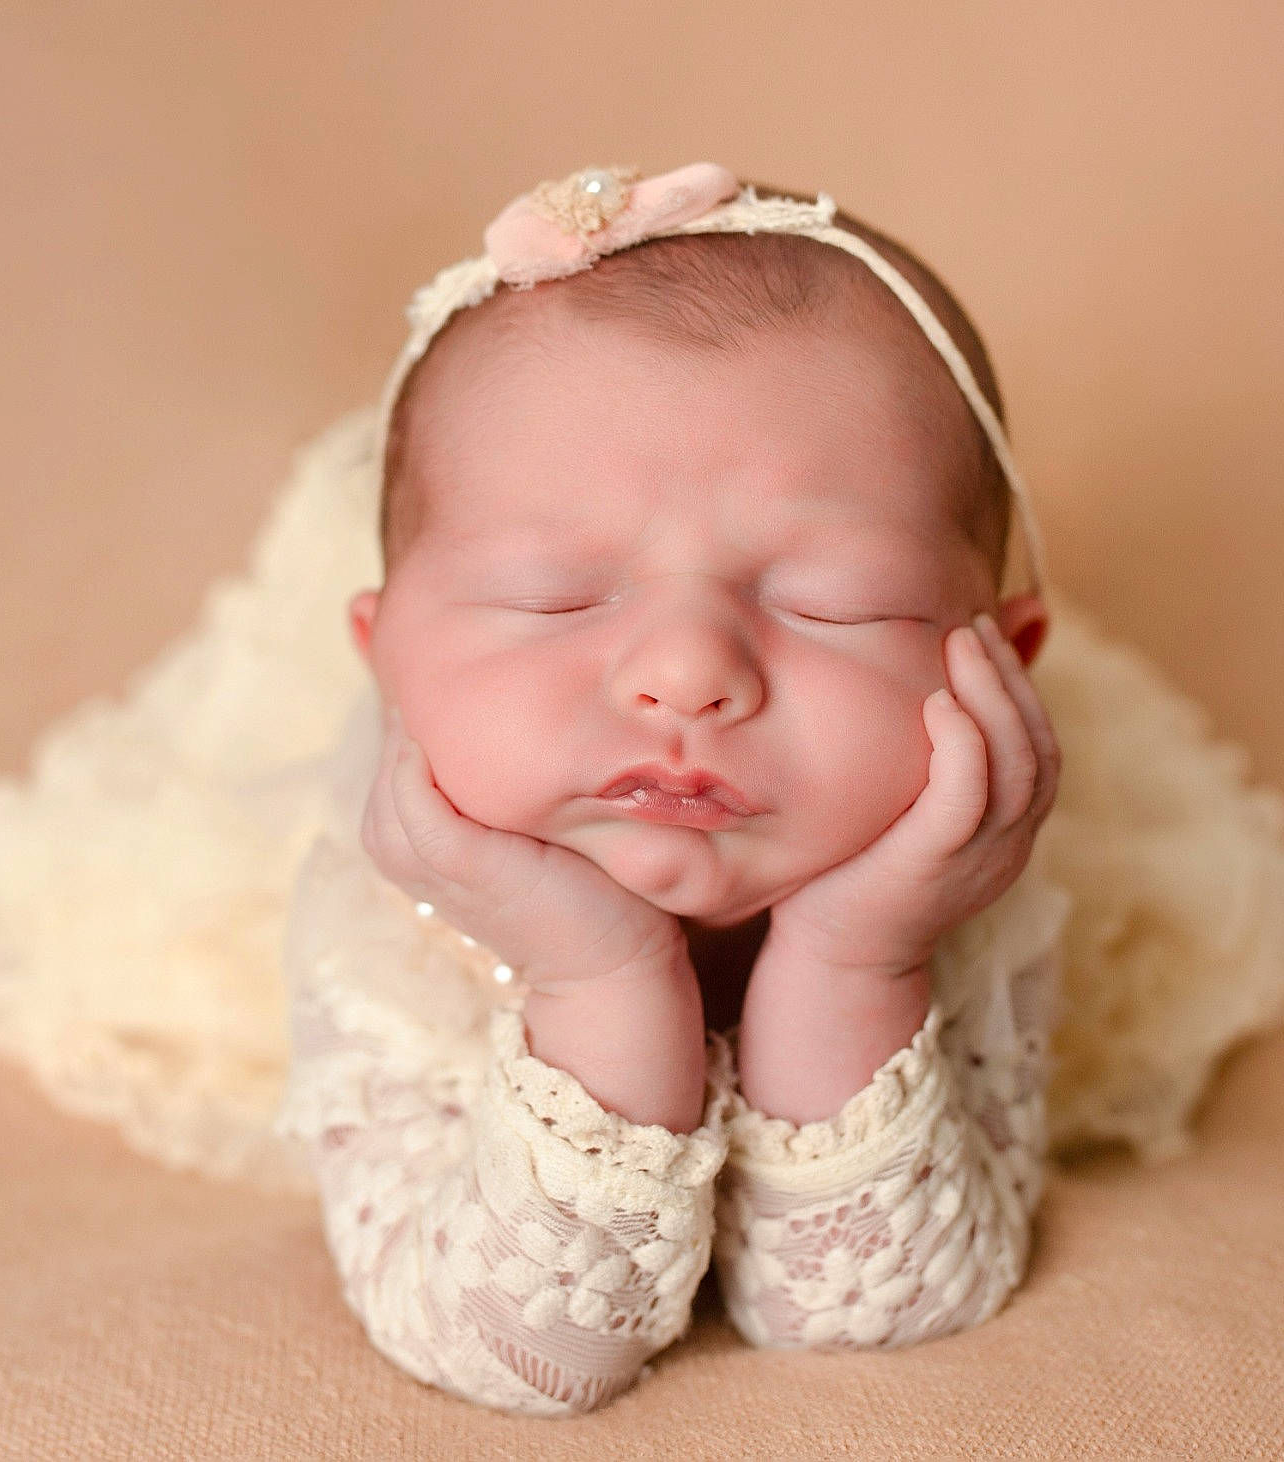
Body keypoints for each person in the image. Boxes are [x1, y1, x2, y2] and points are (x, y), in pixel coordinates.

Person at [276, 164, 1077, 1416]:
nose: (687, 675)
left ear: (1001, 670)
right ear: (384, 662)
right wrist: (595, 980)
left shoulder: (972, 898)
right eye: (551, 596)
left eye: (832, 603)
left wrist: (857, 958)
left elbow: (873, 1311)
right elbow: (517, 1351)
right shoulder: (389, 946)